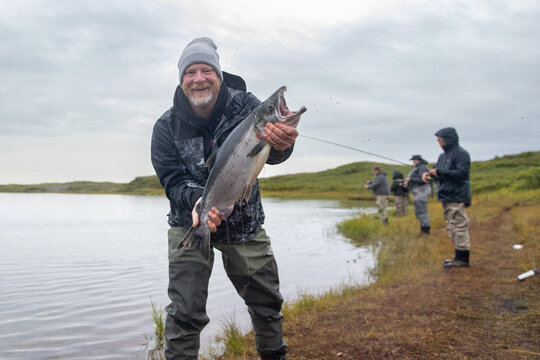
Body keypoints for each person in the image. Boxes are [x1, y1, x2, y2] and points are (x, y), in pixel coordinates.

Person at [151, 37, 297, 360]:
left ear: (219, 74)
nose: (199, 78)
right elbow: (172, 180)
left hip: (245, 222)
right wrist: (196, 203)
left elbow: (270, 156)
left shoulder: (247, 106)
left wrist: (284, 145)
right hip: (190, 222)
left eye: (206, 70)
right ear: (181, 78)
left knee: (266, 303)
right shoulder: (165, 127)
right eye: (190, 72)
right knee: (184, 313)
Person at [422, 127, 471, 269]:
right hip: (446, 195)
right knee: (452, 227)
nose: (438, 140)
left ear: (448, 138)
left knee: (459, 226)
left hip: (457, 195)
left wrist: (439, 172)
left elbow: (462, 174)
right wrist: (429, 175)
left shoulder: (461, 154)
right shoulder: (442, 156)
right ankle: (458, 257)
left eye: (440, 137)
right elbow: (439, 172)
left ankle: (463, 259)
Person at [404, 155, 432, 234]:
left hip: (422, 191)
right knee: (419, 211)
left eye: (414, 160)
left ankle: (426, 230)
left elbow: (424, 180)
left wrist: (410, 179)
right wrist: (408, 183)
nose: (413, 162)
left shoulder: (422, 168)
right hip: (417, 191)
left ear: (418, 160)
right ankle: (423, 229)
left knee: (422, 211)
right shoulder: (418, 168)